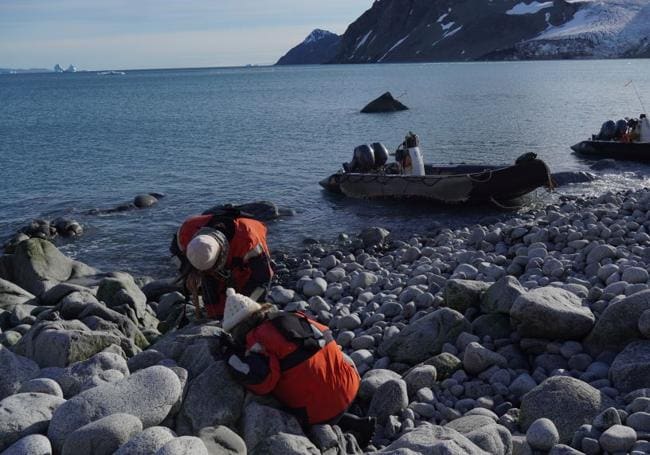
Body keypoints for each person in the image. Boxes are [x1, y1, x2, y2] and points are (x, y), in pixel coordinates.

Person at [221, 289, 376, 447]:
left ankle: (352, 424)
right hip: (350, 382)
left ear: (237, 328)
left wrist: (230, 353)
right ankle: (353, 413)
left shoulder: (257, 339)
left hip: (323, 410)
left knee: (274, 400)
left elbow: (262, 383)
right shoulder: (292, 316)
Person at [171, 208, 273, 319]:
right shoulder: (187, 231)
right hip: (214, 252)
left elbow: (264, 278)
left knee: (245, 293)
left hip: (244, 244)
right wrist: (188, 270)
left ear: (222, 255)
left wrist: (246, 306)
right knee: (214, 304)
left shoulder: (249, 241)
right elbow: (175, 254)